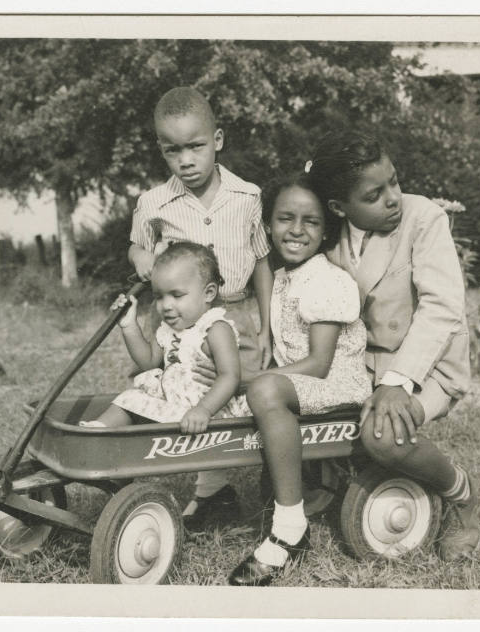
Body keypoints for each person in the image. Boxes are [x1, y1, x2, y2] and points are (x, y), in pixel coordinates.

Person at [310, 129, 478, 563]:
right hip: (361, 364)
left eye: (395, 182)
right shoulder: (327, 236)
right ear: (338, 207)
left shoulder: (423, 218)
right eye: (374, 194)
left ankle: (460, 494)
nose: (392, 199)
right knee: (300, 407)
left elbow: (443, 307)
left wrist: (398, 381)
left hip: (428, 365)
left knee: (383, 436)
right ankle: (329, 487)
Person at [127, 86, 274, 531]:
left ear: (218, 140)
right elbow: (137, 248)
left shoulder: (247, 196)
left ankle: (267, 484)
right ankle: (208, 491)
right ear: (161, 150)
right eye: (173, 151)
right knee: (183, 393)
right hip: (182, 322)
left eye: (196, 146)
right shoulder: (153, 202)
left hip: (236, 315)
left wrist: (266, 325)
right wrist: (143, 261)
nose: (186, 160)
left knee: (238, 399)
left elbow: (262, 259)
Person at [228, 174, 372, 586]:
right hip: (301, 381)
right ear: (269, 227)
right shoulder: (281, 277)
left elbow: (319, 363)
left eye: (310, 221)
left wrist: (254, 379)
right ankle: (210, 491)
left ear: (326, 229)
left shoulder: (327, 280)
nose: (296, 229)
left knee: (262, 387)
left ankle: (290, 527)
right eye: (285, 218)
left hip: (335, 383)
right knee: (231, 382)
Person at [80, 242, 248, 431]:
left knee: (141, 405)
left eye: (176, 295)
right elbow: (148, 363)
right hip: (171, 407)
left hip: (207, 414)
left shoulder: (215, 327)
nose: (166, 305)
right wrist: (129, 326)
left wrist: (203, 410)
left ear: (208, 293)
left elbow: (230, 376)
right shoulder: (167, 330)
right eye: (159, 296)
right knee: (130, 397)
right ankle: (100, 429)